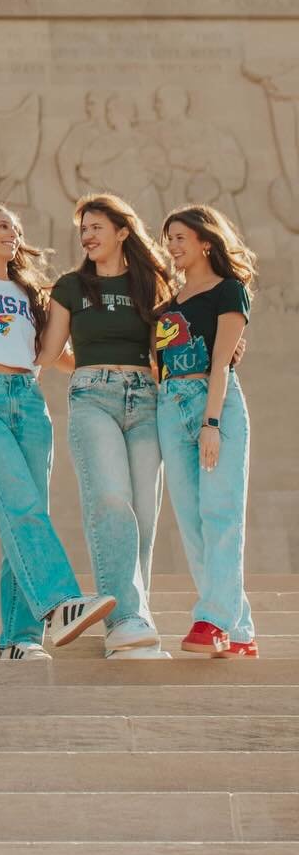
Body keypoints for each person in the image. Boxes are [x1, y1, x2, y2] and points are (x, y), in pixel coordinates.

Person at [0, 207, 114, 660]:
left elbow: (59, 353)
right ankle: (60, 603)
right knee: (19, 504)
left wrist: (123, 363)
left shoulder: (30, 293)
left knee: (29, 513)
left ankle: (21, 639)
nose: (13, 234)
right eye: (2, 226)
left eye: (16, 228)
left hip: (29, 400)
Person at [38, 194, 172, 661]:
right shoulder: (72, 286)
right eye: (84, 230)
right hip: (92, 394)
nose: (88, 236)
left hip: (147, 398)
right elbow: (50, 354)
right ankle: (123, 622)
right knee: (111, 502)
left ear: (122, 232)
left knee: (143, 514)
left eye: (97, 227)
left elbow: (165, 352)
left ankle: (137, 617)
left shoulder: (152, 285)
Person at [157, 205, 256, 657]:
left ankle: (211, 620)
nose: (173, 247)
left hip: (214, 405)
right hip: (169, 406)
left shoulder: (229, 291)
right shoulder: (168, 304)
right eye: (169, 239)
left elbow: (220, 363)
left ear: (205, 242)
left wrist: (211, 423)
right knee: (192, 522)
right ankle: (239, 630)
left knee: (220, 513)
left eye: (180, 238)